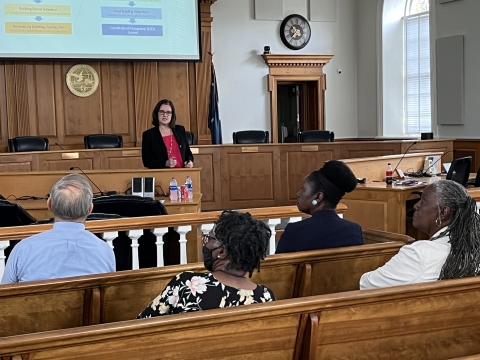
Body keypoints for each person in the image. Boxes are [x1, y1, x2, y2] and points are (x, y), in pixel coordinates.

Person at [137, 210, 275, 318]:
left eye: (208, 239)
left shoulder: (187, 284)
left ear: (221, 252)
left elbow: (143, 324)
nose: (205, 245)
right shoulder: (265, 296)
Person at [360, 180, 480, 289]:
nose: (416, 205)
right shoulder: (474, 244)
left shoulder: (419, 255)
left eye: (424, 201)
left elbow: (367, 284)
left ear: (443, 212)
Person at [1, 174, 116, 284]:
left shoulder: (23, 249)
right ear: (90, 209)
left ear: (49, 205)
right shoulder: (105, 251)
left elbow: (5, 298)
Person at [275, 160, 364, 254]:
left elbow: (278, 268)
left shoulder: (295, 231)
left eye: (303, 189)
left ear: (318, 197)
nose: (298, 194)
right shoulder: (354, 230)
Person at [142, 99, 194, 169]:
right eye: (162, 112)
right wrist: (165, 163)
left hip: (182, 173)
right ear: (156, 113)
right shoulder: (148, 135)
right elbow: (147, 161)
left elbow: (188, 152)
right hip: (162, 174)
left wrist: (189, 161)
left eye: (168, 112)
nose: (165, 115)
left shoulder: (180, 130)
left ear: (172, 115)